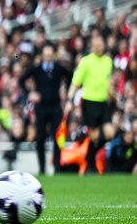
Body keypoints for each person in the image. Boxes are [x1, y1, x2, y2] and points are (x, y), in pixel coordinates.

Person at [18, 44, 70, 175]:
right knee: (40, 138)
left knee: (58, 138)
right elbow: (21, 80)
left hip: (55, 106)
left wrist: (66, 92)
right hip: (41, 107)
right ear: (42, 56)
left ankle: (57, 168)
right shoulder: (36, 69)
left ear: (53, 55)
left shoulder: (58, 69)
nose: (48, 57)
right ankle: (41, 168)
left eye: (50, 54)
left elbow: (71, 76)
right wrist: (29, 93)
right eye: (46, 55)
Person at [68, 34, 113, 175]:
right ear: (92, 47)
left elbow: (108, 81)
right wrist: (70, 100)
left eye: (102, 45)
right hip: (89, 101)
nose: (100, 47)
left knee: (109, 133)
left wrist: (113, 95)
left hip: (103, 101)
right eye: (97, 45)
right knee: (94, 136)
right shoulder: (85, 61)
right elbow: (76, 82)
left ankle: (89, 158)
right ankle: (91, 166)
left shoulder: (108, 61)